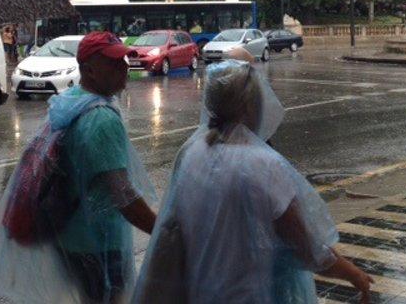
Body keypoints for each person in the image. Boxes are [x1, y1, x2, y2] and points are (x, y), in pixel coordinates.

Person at [133, 50, 373, 304]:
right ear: (251, 105)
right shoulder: (264, 165)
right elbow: (305, 248)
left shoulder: (192, 152)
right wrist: (354, 274)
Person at [0, 31, 156, 304]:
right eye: (115, 63)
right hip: (98, 245)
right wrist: (162, 229)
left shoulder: (71, 101)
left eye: (124, 61)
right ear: (90, 70)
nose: (124, 68)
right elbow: (123, 195)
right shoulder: (101, 119)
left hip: (71, 238)